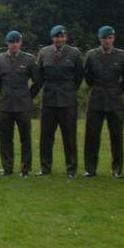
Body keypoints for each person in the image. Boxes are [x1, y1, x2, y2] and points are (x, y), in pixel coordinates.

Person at [83, 26, 124, 178]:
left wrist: (116, 91)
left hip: (114, 99)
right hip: (96, 99)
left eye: (110, 38)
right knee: (92, 136)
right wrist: (98, 89)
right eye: (105, 38)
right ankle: (90, 169)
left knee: (116, 136)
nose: (107, 41)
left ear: (113, 38)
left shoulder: (122, 56)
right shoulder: (91, 55)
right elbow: (88, 77)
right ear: (100, 39)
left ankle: (117, 169)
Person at [36, 25, 84, 178]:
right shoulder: (44, 53)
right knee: (46, 137)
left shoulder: (74, 53)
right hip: (49, 99)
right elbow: (39, 76)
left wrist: (69, 89)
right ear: (52, 38)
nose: (60, 39)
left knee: (69, 137)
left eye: (62, 36)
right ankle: (45, 168)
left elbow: (79, 76)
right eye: (57, 37)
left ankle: (71, 169)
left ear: (66, 37)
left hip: (67, 100)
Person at [0, 31, 39, 177]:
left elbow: (38, 81)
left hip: (23, 104)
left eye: (16, 42)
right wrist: (5, 93)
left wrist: (29, 95)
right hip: (5, 104)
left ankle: (25, 169)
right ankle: (7, 167)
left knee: (25, 138)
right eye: (11, 42)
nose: (14, 44)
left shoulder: (29, 59)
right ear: (7, 43)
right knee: (5, 138)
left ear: (20, 43)